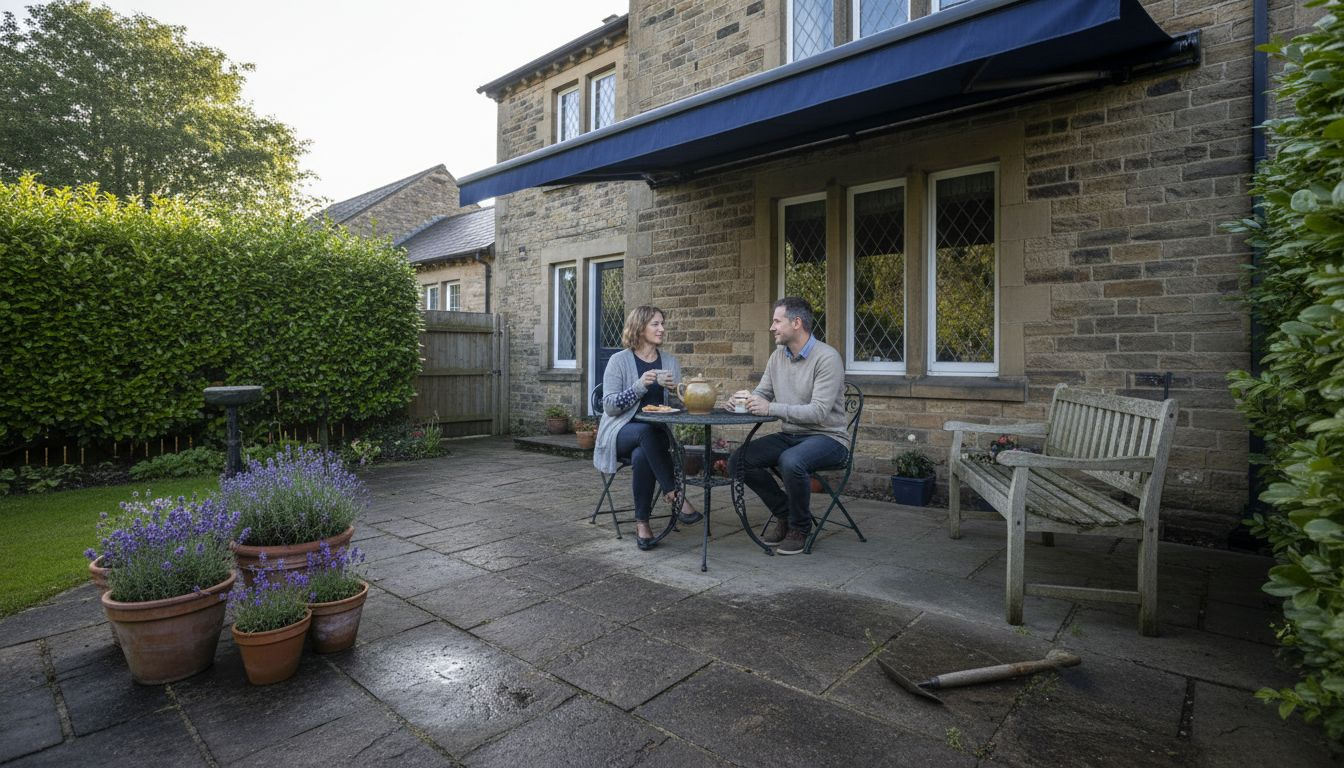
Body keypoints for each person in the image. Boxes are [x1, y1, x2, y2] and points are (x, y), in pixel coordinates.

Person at [728, 297, 848, 555]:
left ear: (796, 323)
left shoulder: (827, 358)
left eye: (776, 321)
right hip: (791, 435)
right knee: (738, 460)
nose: (772, 327)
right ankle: (785, 513)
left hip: (829, 438)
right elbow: (762, 394)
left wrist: (770, 408)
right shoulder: (777, 358)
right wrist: (742, 400)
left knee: (791, 460)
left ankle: (800, 528)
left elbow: (818, 413)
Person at [593, 305, 701, 551]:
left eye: (662, 323)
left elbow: (677, 409)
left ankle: (642, 523)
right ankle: (675, 494)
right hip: (620, 431)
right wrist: (639, 386)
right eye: (655, 324)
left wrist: (677, 393)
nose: (662, 329)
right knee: (644, 431)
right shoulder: (619, 361)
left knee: (644, 452)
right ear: (640, 328)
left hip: (656, 437)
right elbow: (609, 406)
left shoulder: (670, 362)